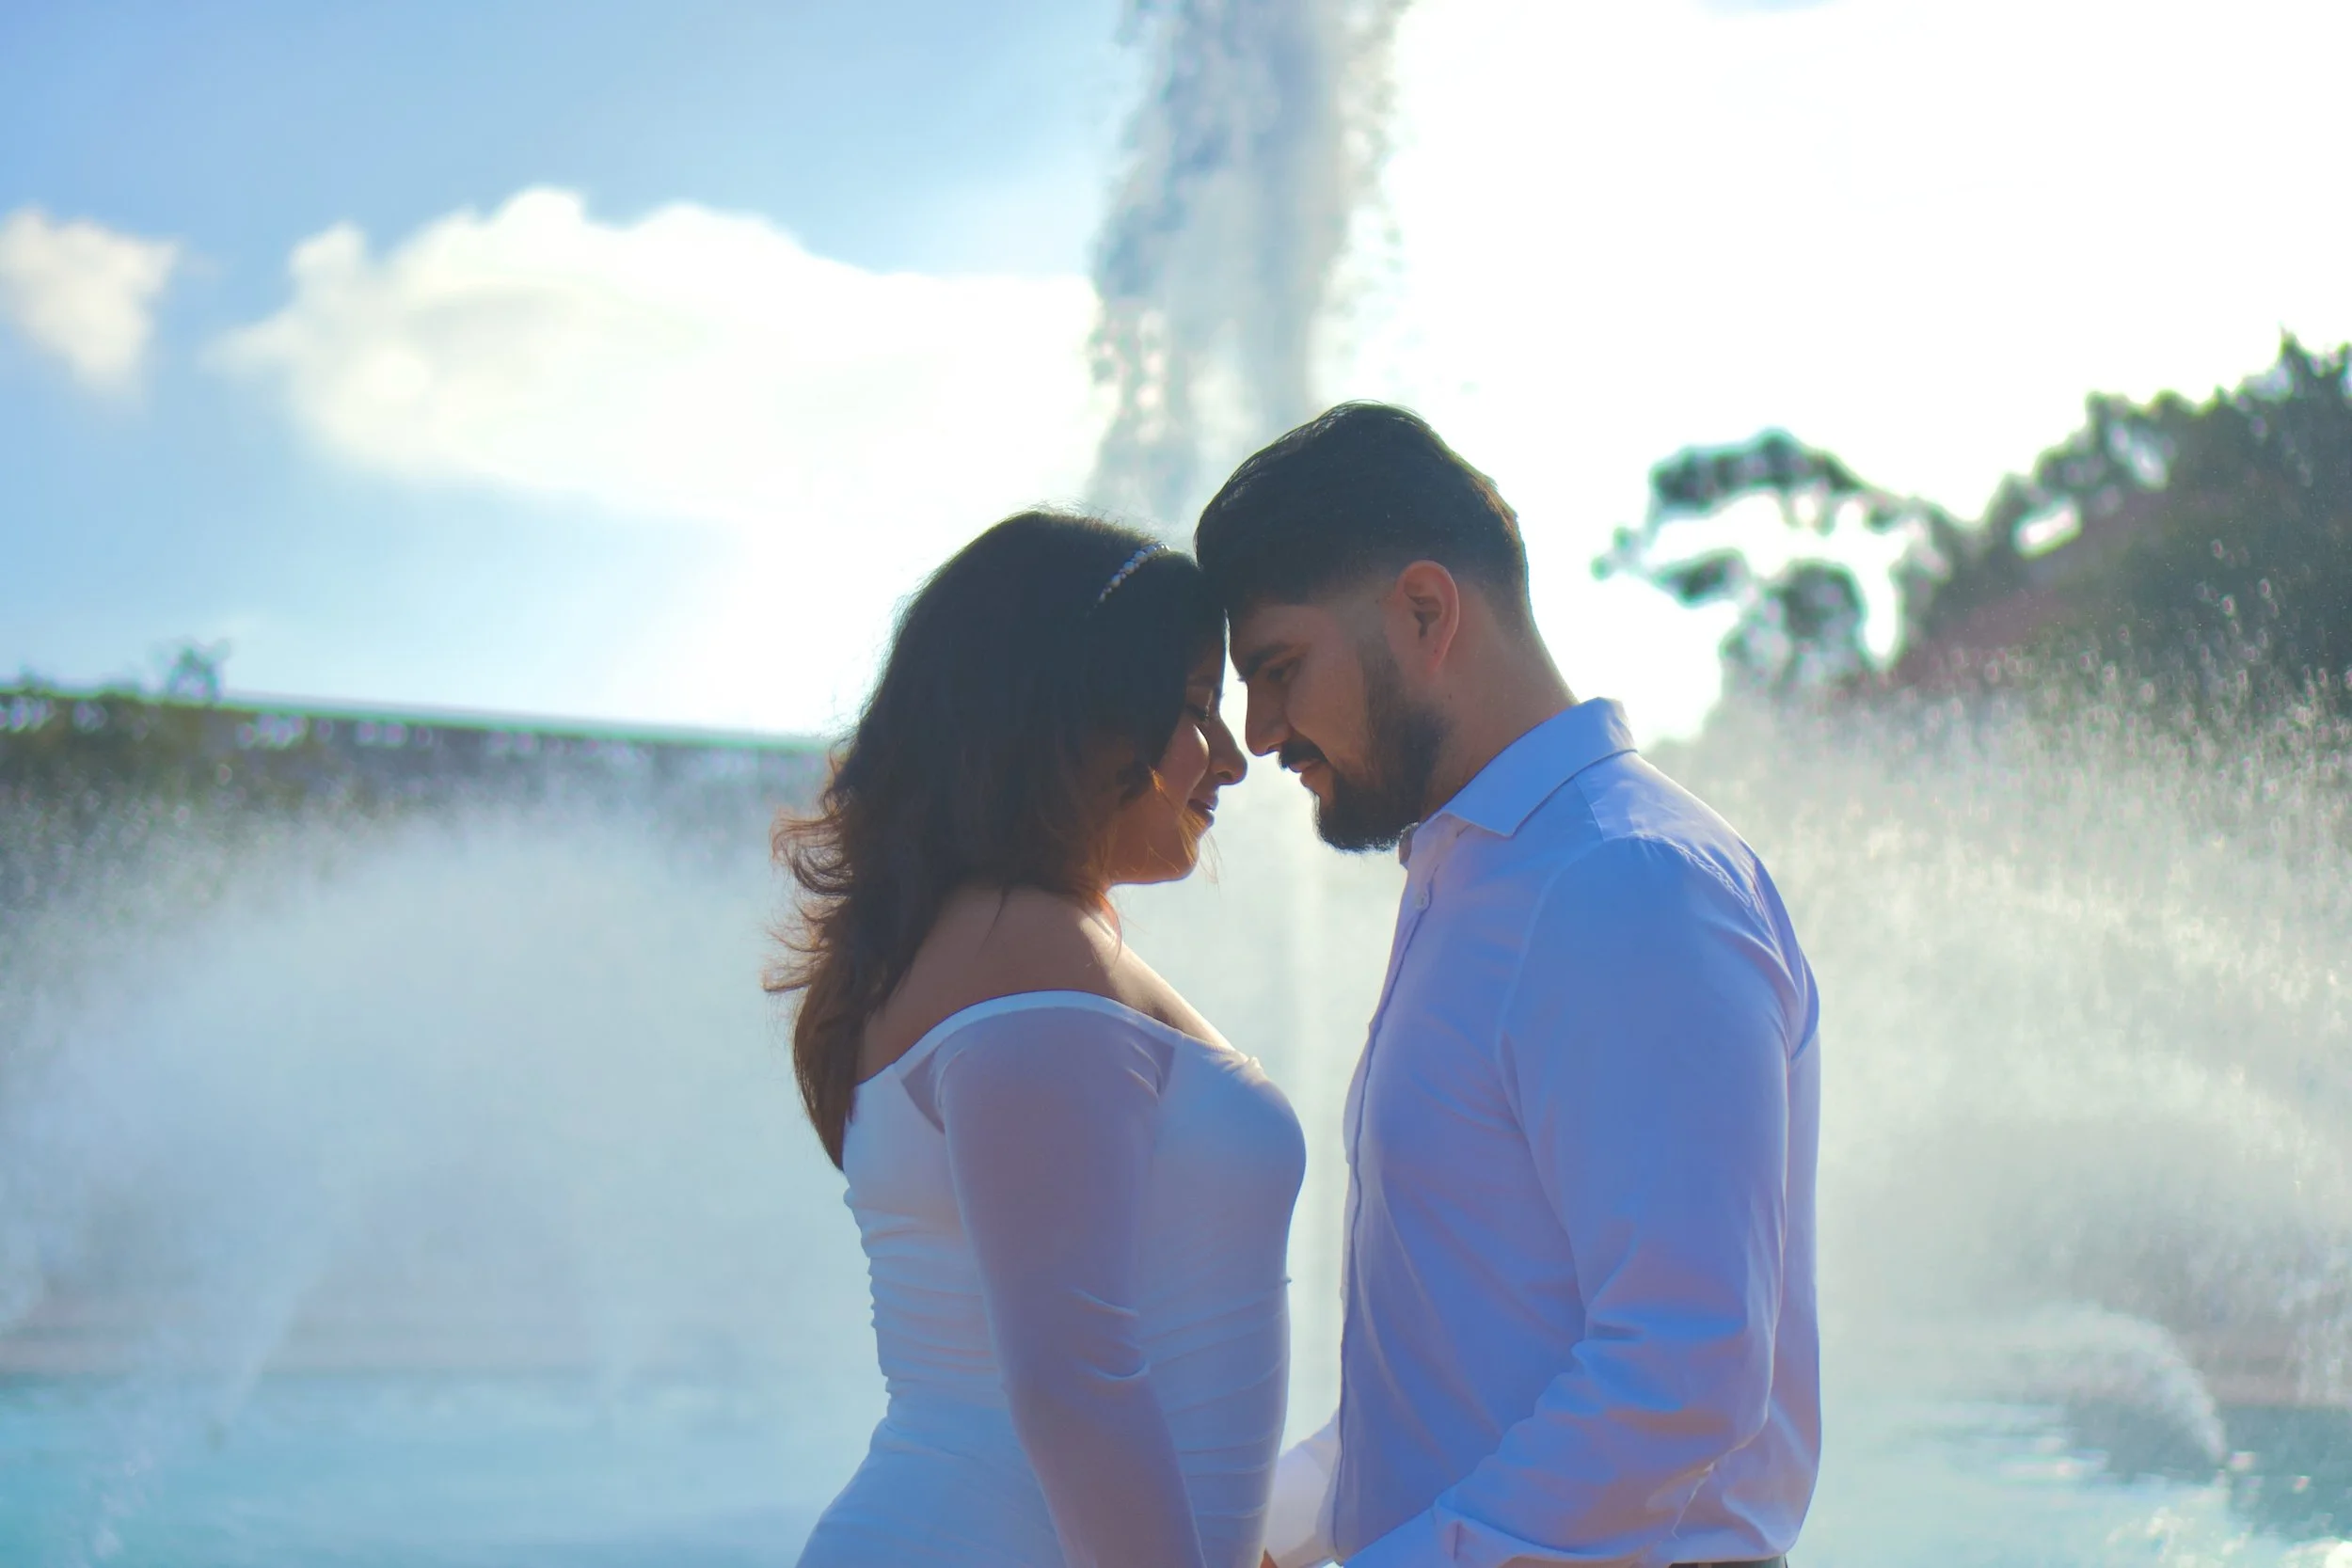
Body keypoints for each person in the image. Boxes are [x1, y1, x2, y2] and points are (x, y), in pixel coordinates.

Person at [1195, 405, 1821, 1568]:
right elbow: (1451, 1386)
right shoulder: (1479, 880)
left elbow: (1679, 1367)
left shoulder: (1622, 881)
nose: (1258, 730)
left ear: (1426, 612)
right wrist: (1246, 1537)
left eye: (1278, 668)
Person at [781, 512, 1307, 1568]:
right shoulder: (1025, 950)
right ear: (1079, 711)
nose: (1228, 759)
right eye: (1196, 705)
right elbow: (1076, 1380)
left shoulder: (984, 939)